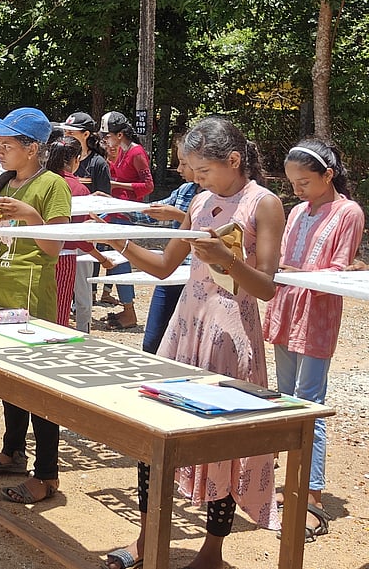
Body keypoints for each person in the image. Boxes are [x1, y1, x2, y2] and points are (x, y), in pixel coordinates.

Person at [98, 116, 285, 569]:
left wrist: (227, 260)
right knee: (156, 434)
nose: (194, 179)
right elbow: (164, 267)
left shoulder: (265, 204)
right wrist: (119, 241)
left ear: (234, 161)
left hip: (230, 335)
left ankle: (212, 551)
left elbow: (265, 287)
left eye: (202, 171)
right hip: (186, 328)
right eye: (192, 171)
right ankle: (147, 540)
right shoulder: (200, 202)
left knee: (219, 445)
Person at [0, 107, 71, 505]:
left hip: (30, 298)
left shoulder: (52, 186)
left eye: (8, 145)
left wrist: (31, 214)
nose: (0, 151)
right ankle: (12, 451)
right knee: (9, 382)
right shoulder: (6, 183)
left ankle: (46, 475)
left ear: (33, 148)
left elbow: (53, 247)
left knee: (37, 388)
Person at [263, 139, 363, 542]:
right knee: (287, 402)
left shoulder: (349, 212)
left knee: (310, 405)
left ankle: (312, 493)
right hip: (286, 310)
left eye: (304, 182)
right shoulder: (298, 211)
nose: (297, 190)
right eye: (292, 183)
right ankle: (291, 485)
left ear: (328, 175)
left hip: (317, 315)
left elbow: (336, 271)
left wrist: (286, 268)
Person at [132, 135, 198, 353]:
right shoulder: (184, 191)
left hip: (196, 278)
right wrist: (113, 209)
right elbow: (150, 213)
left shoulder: (220, 197)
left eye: (184, 163)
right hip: (171, 273)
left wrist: (180, 217)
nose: (178, 169)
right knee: (152, 341)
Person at [44, 135, 115, 329]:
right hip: (65, 257)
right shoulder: (79, 189)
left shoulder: (40, 181)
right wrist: (102, 258)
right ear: (76, 160)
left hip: (37, 252)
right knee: (60, 309)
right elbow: (80, 237)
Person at [97, 111, 152, 329]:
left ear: (119, 135)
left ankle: (129, 311)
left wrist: (116, 186)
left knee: (121, 259)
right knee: (114, 256)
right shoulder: (119, 151)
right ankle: (121, 303)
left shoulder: (136, 152)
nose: (105, 140)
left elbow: (148, 186)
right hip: (114, 209)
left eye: (107, 136)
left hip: (125, 213)